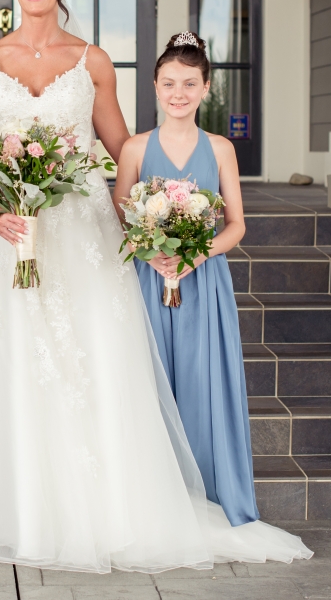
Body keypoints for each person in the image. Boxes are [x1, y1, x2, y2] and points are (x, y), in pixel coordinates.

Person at [0, 0, 312, 573]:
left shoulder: (94, 61)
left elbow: (122, 147)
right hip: (11, 234)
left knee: (92, 360)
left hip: (81, 228)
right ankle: (18, 507)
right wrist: (0, 212)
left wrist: (162, 221)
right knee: (16, 359)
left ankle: (107, 507)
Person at [113, 32, 259, 527]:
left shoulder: (220, 149)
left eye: (189, 84)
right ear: (154, 85)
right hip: (147, 282)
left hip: (203, 285)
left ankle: (211, 499)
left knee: (201, 387)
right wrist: (149, 251)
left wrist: (195, 256)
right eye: (170, 83)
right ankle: (154, 504)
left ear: (206, 88)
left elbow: (236, 225)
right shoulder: (134, 148)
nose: (179, 93)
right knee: (150, 387)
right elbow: (120, 221)